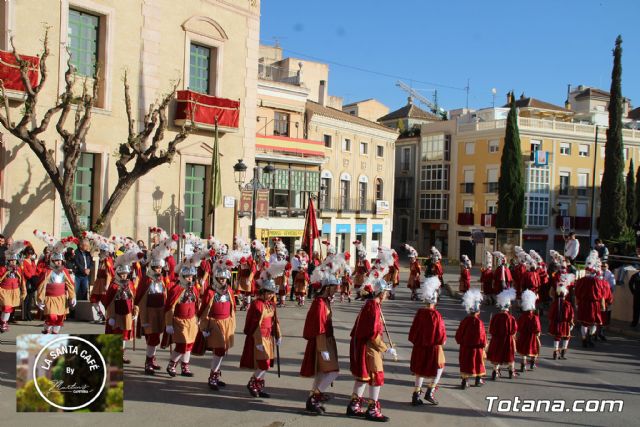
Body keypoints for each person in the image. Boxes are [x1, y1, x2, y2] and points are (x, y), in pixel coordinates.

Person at [346, 257, 396, 422]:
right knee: (377, 377)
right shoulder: (373, 308)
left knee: (363, 377)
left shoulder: (371, 305)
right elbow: (373, 334)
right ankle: (373, 409)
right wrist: (385, 348)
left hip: (365, 346)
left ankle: (354, 406)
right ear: (380, 293)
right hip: (370, 347)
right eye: (386, 292)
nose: (387, 295)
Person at [300, 254, 344, 415]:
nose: (336, 289)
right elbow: (319, 328)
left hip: (326, 341)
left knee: (321, 372)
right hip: (322, 342)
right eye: (334, 287)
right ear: (327, 287)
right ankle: (315, 396)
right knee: (333, 372)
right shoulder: (319, 304)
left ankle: (313, 397)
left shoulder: (324, 301)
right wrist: (323, 348)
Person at [239, 261, 283, 398]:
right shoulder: (257, 305)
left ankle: (259, 385)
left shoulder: (271, 304)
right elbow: (255, 324)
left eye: (272, 293)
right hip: (260, 337)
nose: (270, 295)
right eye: (268, 293)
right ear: (263, 292)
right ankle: (253, 382)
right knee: (263, 363)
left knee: (267, 363)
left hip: (268, 337)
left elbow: (275, 321)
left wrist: (278, 335)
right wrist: (258, 341)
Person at [199, 258, 237, 391]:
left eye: (224, 279)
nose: (222, 281)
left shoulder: (229, 291)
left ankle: (216, 375)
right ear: (215, 278)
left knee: (221, 351)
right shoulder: (210, 292)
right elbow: (204, 310)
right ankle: (213, 377)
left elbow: (233, 308)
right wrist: (203, 327)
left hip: (226, 323)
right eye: (220, 278)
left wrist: (232, 323)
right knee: (219, 350)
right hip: (214, 324)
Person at [135, 239, 172, 375]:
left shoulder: (162, 280)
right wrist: (143, 319)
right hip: (149, 313)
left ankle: (152, 358)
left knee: (155, 337)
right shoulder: (146, 281)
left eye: (160, 268)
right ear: (151, 268)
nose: (158, 270)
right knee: (152, 338)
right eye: (156, 268)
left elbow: (167, 296)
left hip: (160, 312)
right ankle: (148, 362)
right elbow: (141, 301)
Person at [408, 276, 445, 406]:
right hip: (433, 347)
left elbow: (413, 331)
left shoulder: (419, 313)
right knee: (440, 366)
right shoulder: (436, 315)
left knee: (420, 369)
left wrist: (416, 341)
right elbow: (440, 333)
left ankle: (416, 394)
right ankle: (430, 391)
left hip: (419, 346)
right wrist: (442, 341)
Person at [34, 231, 76, 334]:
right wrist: (40, 299)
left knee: (59, 319)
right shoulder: (47, 271)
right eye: (56, 261)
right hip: (50, 299)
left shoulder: (64, 271)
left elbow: (70, 285)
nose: (59, 262)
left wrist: (72, 296)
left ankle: (54, 336)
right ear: (52, 261)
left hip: (61, 299)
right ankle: (46, 329)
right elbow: (41, 286)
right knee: (52, 317)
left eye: (60, 261)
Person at [165, 260, 200, 377]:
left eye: (191, 276)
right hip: (179, 320)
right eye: (187, 276)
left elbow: (197, 304)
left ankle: (185, 366)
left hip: (191, 320)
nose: (190, 279)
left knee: (189, 344)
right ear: (182, 276)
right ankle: (172, 364)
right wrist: (169, 324)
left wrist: (198, 317)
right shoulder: (176, 289)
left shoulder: (194, 289)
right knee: (182, 344)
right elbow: (170, 308)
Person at [574, 250, 606, 348]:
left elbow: (576, 293)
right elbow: (601, 295)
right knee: (593, 323)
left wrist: (577, 304)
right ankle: (590, 338)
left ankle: (584, 338)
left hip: (583, 303)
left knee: (584, 323)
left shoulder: (581, 281)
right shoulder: (598, 282)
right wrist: (603, 305)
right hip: (594, 304)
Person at [455, 289, 486, 389]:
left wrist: (460, 341)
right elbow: (481, 336)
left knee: (465, 363)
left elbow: (459, 334)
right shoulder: (479, 322)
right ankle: (478, 379)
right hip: (476, 348)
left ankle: (465, 380)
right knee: (478, 362)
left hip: (465, 347)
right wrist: (484, 344)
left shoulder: (465, 320)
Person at [487, 288, 518, 380]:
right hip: (508, 339)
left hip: (496, 339)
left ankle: (495, 371)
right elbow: (514, 330)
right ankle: (511, 371)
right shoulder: (511, 318)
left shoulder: (495, 317)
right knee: (509, 356)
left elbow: (491, 329)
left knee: (497, 356)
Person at [0, 241, 28, 331]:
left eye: (14, 260)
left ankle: (3, 322)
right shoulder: (3, 268)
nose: (12, 262)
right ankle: (3, 323)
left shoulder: (18, 269)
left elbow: (22, 281)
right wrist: (7, 272)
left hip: (14, 291)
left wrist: (24, 291)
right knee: (6, 307)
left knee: (10, 308)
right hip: (4, 291)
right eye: (11, 260)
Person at [548, 274, 575, 359]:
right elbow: (570, 315)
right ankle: (563, 352)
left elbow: (551, 314)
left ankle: (555, 352)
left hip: (556, 323)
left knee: (557, 337)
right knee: (566, 337)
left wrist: (551, 322)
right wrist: (571, 322)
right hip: (565, 323)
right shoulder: (567, 304)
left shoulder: (554, 303)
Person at [516, 290, 540, 372]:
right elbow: (537, 328)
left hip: (523, 335)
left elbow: (518, 326)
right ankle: (532, 363)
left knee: (523, 350)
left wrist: (518, 334)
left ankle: (523, 364)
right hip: (532, 336)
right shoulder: (534, 317)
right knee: (535, 349)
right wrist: (538, 333)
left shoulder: (522, 317)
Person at [21, 245, 38, 321]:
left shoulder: (32, 261)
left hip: (33, 280)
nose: (30, 255)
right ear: (26, 253)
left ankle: (29, 314)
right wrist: (31, 277)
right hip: (27, 281)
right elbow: (24, 271)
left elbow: (35, 270)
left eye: (31, 253)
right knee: (26, 299)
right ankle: (24, 315)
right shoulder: (24, 261)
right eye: (28, 253)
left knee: (30, 299)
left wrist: (35, 278)